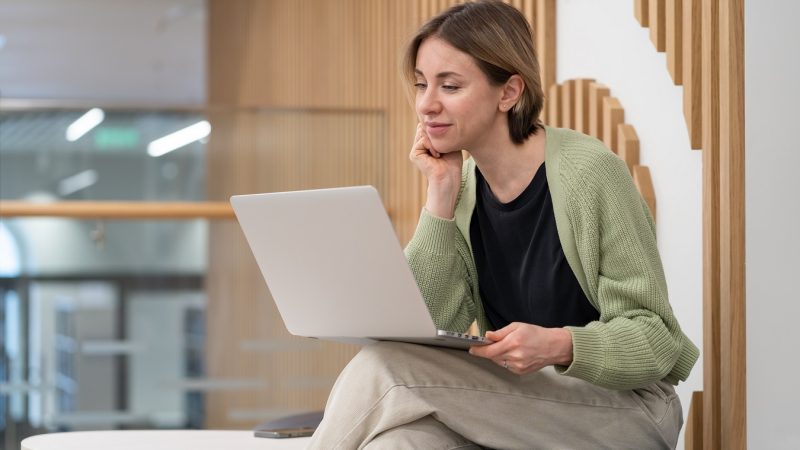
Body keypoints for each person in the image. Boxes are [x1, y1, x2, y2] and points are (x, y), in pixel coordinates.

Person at [308, 1, 699, 448]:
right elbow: (423, 328)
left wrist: (558, 344)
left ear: (509, 92)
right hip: (518, 404)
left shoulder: (590, 173)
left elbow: (657, 338)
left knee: (383, 367)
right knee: (399, 443)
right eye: (421, 85)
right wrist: (440, 196)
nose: (426, 105)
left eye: (449, 86)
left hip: (626, 409)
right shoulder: (464, 189)